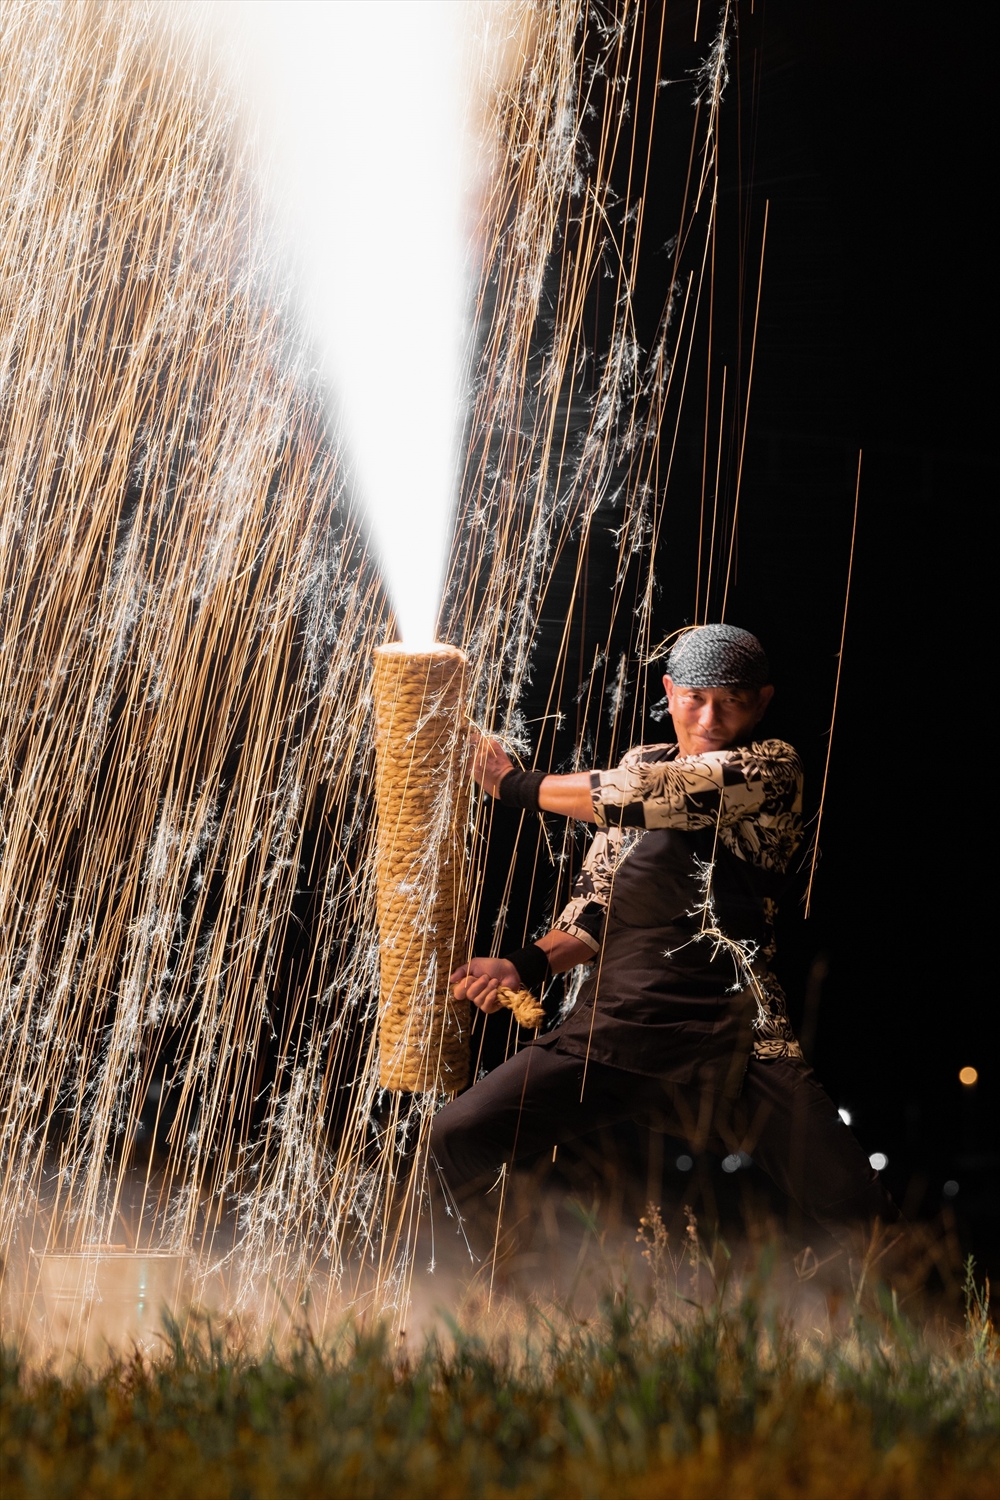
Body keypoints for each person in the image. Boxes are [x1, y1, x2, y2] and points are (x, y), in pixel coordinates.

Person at [430, 623, 897, 1241]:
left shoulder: (772, 769)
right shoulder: (639, 762)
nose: (710, 718)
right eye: (696, 698)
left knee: (858, 1210)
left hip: (732, 1037)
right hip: (617, 1023)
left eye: (732, 702)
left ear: (761, 703)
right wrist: (525, 964)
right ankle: (491, 1278)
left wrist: (510, 784)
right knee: (456, 1135)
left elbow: (651, 795)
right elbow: (596, 904)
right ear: (670, 691)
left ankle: (924, 1297)